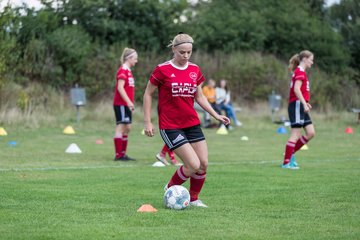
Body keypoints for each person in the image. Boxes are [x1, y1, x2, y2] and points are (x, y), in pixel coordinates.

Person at [143, 33, 230, 208]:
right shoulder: (162, 69)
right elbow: (147, 94)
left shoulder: (194, 70)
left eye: (189, 52)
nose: (185, 56)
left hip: (191, 123)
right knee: (192, 164)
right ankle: (169, 188)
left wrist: (215, 115)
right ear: (174, 49)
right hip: (170, 126)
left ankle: (194, 198)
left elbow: (200, 96)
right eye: (182, 52)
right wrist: (148, 121)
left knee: (203, 164)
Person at [282, 50, 315, 169]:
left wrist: (306, 103)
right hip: (297, 105)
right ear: (305, 59)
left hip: (300, 104)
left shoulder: (301, 72)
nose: (312, 62)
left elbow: (301, 91)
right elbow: (296, 89)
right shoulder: (300, 71)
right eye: (311, 59)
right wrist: (303, 103)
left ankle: (290, 154)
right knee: (295, 134)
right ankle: (286, 162)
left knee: (311, 133)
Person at [113, 47, 138, 161]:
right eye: (135, 58)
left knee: (127, 128)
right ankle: (119, 155)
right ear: (129, 58)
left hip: (126, 104)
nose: (136, 61)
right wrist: (128, 102)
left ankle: (123, 154)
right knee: (121, 127)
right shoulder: (123, 70)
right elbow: (120, 88)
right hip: (121, 104)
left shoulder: (128, 71)